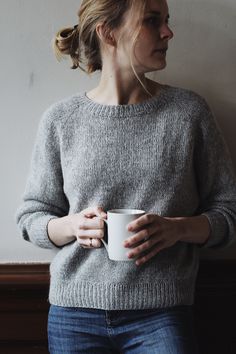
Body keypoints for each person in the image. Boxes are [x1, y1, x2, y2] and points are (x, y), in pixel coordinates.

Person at [15, 0, 236, 353]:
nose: (168, 32)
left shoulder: (189, 113)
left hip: (161, 313)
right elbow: (31, 217)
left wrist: (177, 228)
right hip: (74, 314)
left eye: (167, 20)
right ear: (108, 32)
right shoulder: (60, 120)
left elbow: (229, 214)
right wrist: (72, 226)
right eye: (152, 20)